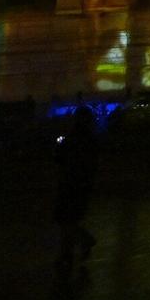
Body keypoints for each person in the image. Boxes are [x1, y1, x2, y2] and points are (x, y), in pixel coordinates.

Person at [52, 108, 99, 275]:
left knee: (65, 220)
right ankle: (68, 253)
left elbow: (58, 157)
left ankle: (69, 252)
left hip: (68, 182)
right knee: (70, 219)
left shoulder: (70, 138)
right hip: (81, 184)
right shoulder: (90, 140)